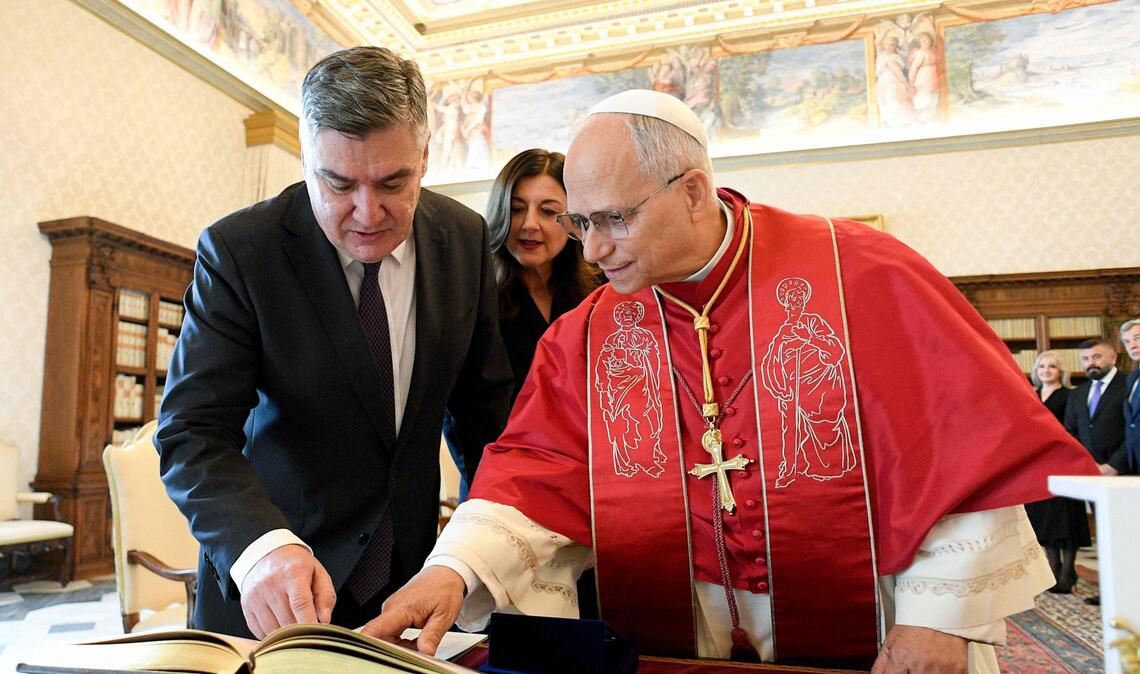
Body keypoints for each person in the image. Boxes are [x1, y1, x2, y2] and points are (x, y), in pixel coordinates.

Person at [366, 90, 1096, 671]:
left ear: (692, 191)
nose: (591, 248)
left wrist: (937, 619)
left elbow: (961, 450)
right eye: (581, 222)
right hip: (679, 643)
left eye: (612, 219)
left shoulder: (863, 274)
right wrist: (454, 570)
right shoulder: (588, 333)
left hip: (874, 633)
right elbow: (534, 475)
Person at [155, 46, 514, 639]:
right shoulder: (243, 252)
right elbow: (192, 432)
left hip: (410, 585)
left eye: (393, 182)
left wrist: (475, 552)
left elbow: (485, 423)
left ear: (425, 156)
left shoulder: (464, 238)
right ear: (306, 158)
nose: (367, 213)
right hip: (276, 592)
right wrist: (261, 548)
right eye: (338, 182)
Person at [485, 149, 599, 404]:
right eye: (516, 209)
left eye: (547, 211)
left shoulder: (603, 285)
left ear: (574, 219)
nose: (529, 224)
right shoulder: (477, 294)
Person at [1063, 338, 1131, 607]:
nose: (1091, 363)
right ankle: (1111, 591)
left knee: (1130, 535)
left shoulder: (1129, 385)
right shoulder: (1078, 394)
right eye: (1086, 359)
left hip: (1125, 473)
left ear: (1113, 358)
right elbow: (1070, 432)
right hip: (1092, 475)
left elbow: (1134, 429)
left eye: (1097, 357)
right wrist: (1086, 465)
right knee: (1105, 535)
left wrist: (1114, 464)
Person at [1024, 351, 1089, 594]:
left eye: (1052, 366)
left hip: (1063, 463)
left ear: (1061, 371)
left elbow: (1073, 428)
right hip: (1038, 466)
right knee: (1046, 520)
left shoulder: (1070, 395)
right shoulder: (1031, 394)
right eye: (1041, 366)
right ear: (1036, 370)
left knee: (1066, 518)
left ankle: (1068, 571)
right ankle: (1053, 567)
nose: (1046, 370)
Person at [907, 32, 941, 123]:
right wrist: (911, 84)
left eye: (927, 40)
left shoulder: (931, 51)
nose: (925, 42)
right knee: (923, 102)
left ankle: (930, 121)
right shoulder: (920, 53)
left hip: (932, 80)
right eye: (923, 41)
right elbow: (913, 69)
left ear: (930, 40)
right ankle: (922, 122)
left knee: (933, 102)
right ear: (919, 42)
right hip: (923, 80)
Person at [1122, 320, 1140, 473]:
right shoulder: (1131, 378)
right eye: (1127, 342)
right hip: (1135, 459)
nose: (1132, 346)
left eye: (1138, 338)